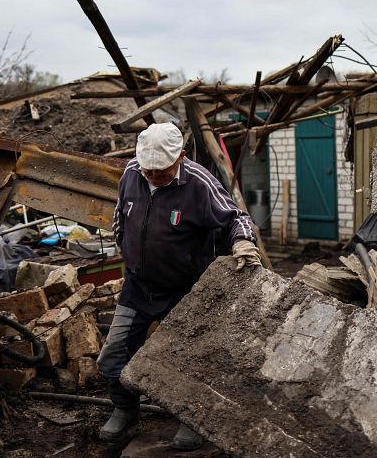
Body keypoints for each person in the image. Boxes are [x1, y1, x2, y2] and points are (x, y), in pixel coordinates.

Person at [96, 122, 262, 449]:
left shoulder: (198, 183)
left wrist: (243, 242)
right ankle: (125, 410)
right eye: (148, 170)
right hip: (139, 285)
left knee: (192, 359)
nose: (153, 176)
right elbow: (120, 214)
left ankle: (193, 417)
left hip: (185, 290)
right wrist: (125, 245)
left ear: (181, 157)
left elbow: (235, 217)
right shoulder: (133, 172)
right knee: (112, 356)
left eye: (161, 171)